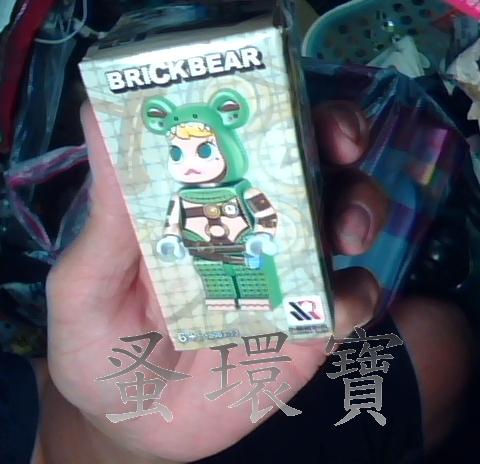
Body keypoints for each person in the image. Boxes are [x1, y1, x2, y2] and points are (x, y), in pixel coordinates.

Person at [0, 97, 473, 464]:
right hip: (212, 278)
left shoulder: (236, 187)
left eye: (203, 150)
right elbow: (177, 224)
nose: (192, 162)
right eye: (180, 152)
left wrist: (115, 433)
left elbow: (262, 210)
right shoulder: (186, 200)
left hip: (236, 296)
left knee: (434, 343)